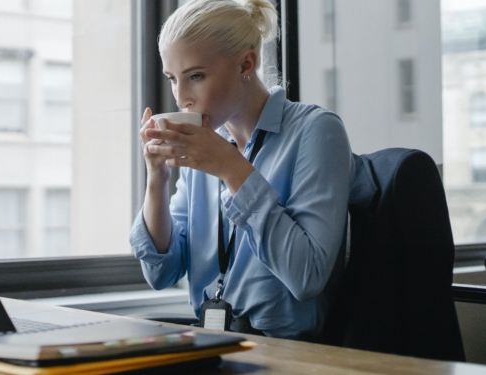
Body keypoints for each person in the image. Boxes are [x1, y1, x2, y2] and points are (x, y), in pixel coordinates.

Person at [129, 0, 352, 340]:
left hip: (289, 352)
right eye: (173, 79)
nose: (181, 98)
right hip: (215, 344)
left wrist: (232, 169)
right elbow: (161, 272)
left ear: (246, 63)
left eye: (196, 76)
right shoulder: (203, 149)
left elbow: (307, 276)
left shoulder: (316, 131)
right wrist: (157, 179)